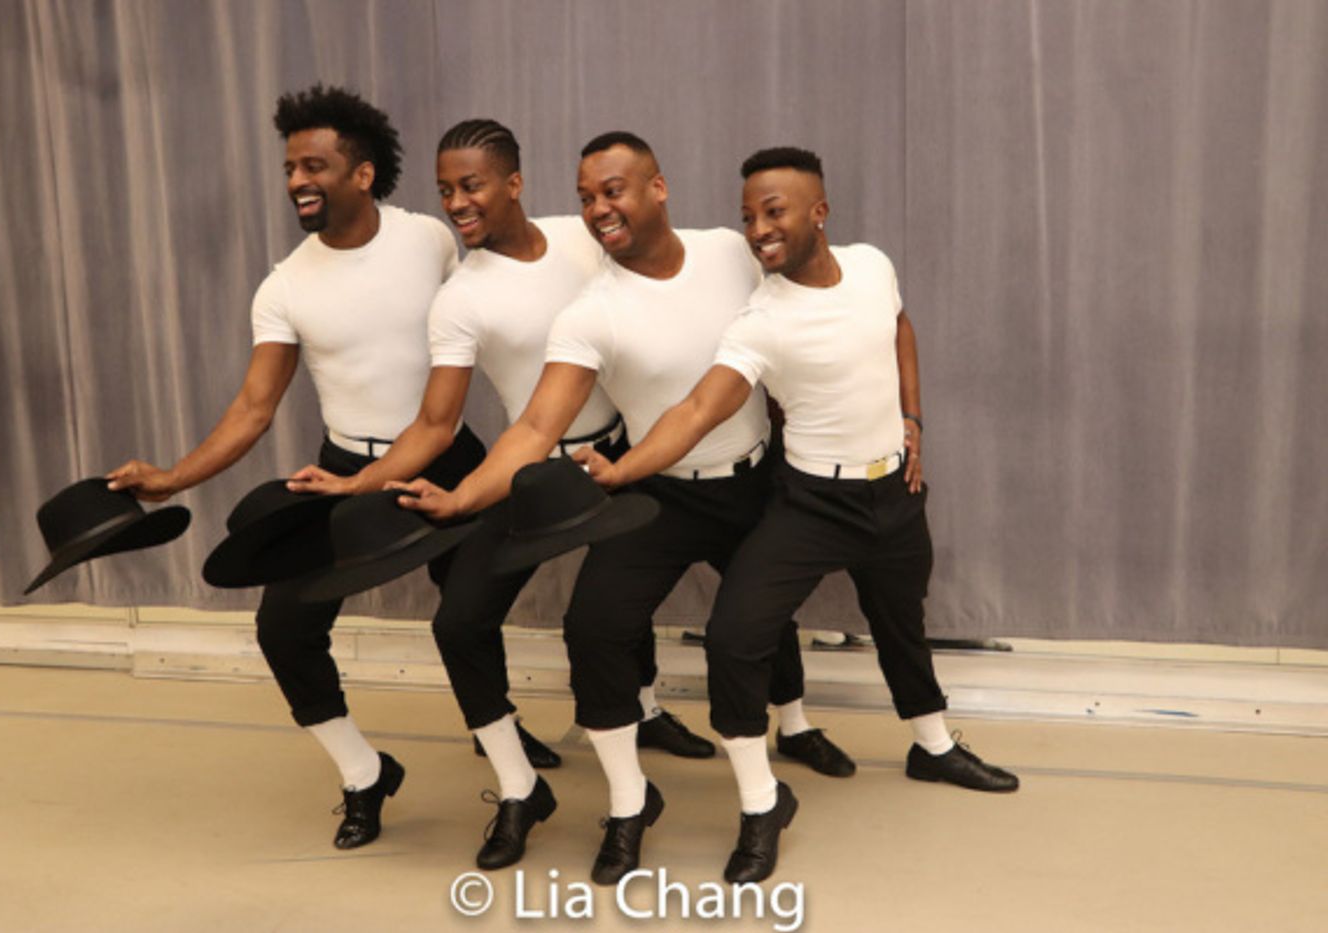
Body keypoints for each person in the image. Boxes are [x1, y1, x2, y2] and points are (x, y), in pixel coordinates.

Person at [398, 133, 840, 885]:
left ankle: (777, 762)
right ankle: (631, 802)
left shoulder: (728, 254)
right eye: (587, 198)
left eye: (614, 191)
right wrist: (464, 495)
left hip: (756, 480)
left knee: (750, 628)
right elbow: (536, 427)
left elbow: (808, 322)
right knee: (593, 625)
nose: (599, 209)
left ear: (658, 188)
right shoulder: (590, 312)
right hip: (659, 492)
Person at [579, 146, 1020, 883]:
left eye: (773, 211)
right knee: (734, 637)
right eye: (748, 215)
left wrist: (913, 416)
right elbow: (694, 409)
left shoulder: (873, 266)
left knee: (901, 620)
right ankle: (761, 802)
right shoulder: (761, 320)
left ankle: (933, 746)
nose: (757, 229)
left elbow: (900, 326)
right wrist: (623, 469)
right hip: (811, 501)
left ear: (819, 212)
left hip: (895, 492)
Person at [287, 119, 713, 870]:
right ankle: (519, 786)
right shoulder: (461, 299)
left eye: (472, 185)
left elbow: (664, 302)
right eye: (446, 190)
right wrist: (360, 480)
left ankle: (644, 713)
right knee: (459, 623)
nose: (457, 202)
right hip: (536, 464)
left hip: (628, 447)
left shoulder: (585, 239)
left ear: (514, 184)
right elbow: (435, 421)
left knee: (624, 594)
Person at [105, 85, 487, 851]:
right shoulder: (283, 285)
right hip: (342, 474)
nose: (296, 181)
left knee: (470, 617)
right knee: (284, 626)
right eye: (288, 168)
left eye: (314, 165)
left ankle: (504, 740)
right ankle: (363, 772)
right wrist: (174, 477)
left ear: (363, 174)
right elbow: (254, 407)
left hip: (447, 457)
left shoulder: (428, 242)